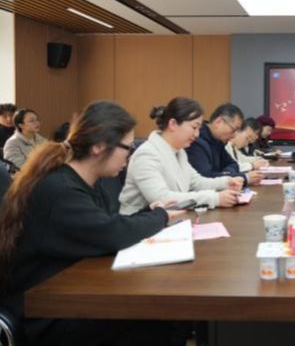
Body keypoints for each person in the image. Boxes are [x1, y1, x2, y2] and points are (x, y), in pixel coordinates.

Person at [0, 101, 190, 345]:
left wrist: (148, 213)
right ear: (99, 146)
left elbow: (102, 226)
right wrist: (160, 216)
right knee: (161, 317)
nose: (130, 156)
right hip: (45, 315)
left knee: (162, 313)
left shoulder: (84, 182)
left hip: (67, 294)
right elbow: (111, 233)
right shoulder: (60, 189)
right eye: (128, 147)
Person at [120, 98, 241, 215]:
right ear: (173, 124)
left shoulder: (179, 152)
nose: (197, 134)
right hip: (137, 223)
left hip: (169, 220)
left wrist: (226, 183)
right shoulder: (146, 154)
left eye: (199, 129)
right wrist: (214, 198)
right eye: (194, 127)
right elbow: (163, 198)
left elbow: (196, 182)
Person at [186, 103, 249, 184]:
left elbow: (233, 164)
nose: (234, 136)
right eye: (233, 130)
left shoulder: (218, 141)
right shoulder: (197, 141)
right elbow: (205, 177)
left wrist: (227, 173)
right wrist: (242, 177)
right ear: (218, 122)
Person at [225, 118, 268, 184]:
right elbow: (233, 167)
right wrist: (252, 165)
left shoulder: (233, 147)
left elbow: (242, 158)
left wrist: (258, 159)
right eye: (247, 138)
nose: (246, 144)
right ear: (237, 133)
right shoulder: (226, 146)